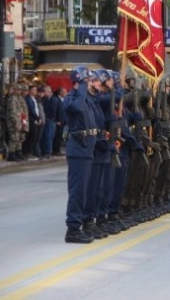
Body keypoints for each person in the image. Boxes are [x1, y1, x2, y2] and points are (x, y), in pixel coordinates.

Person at [63, 66, 99, 244]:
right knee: (77, 191)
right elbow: (76, 108)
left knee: (84, 190)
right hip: (77, 149)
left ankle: (82, 222)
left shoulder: (86, 100)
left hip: (87, 148)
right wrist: (82, 87)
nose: (90, 83)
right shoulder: (71, 99)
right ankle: (73, 229)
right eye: (88, 80)